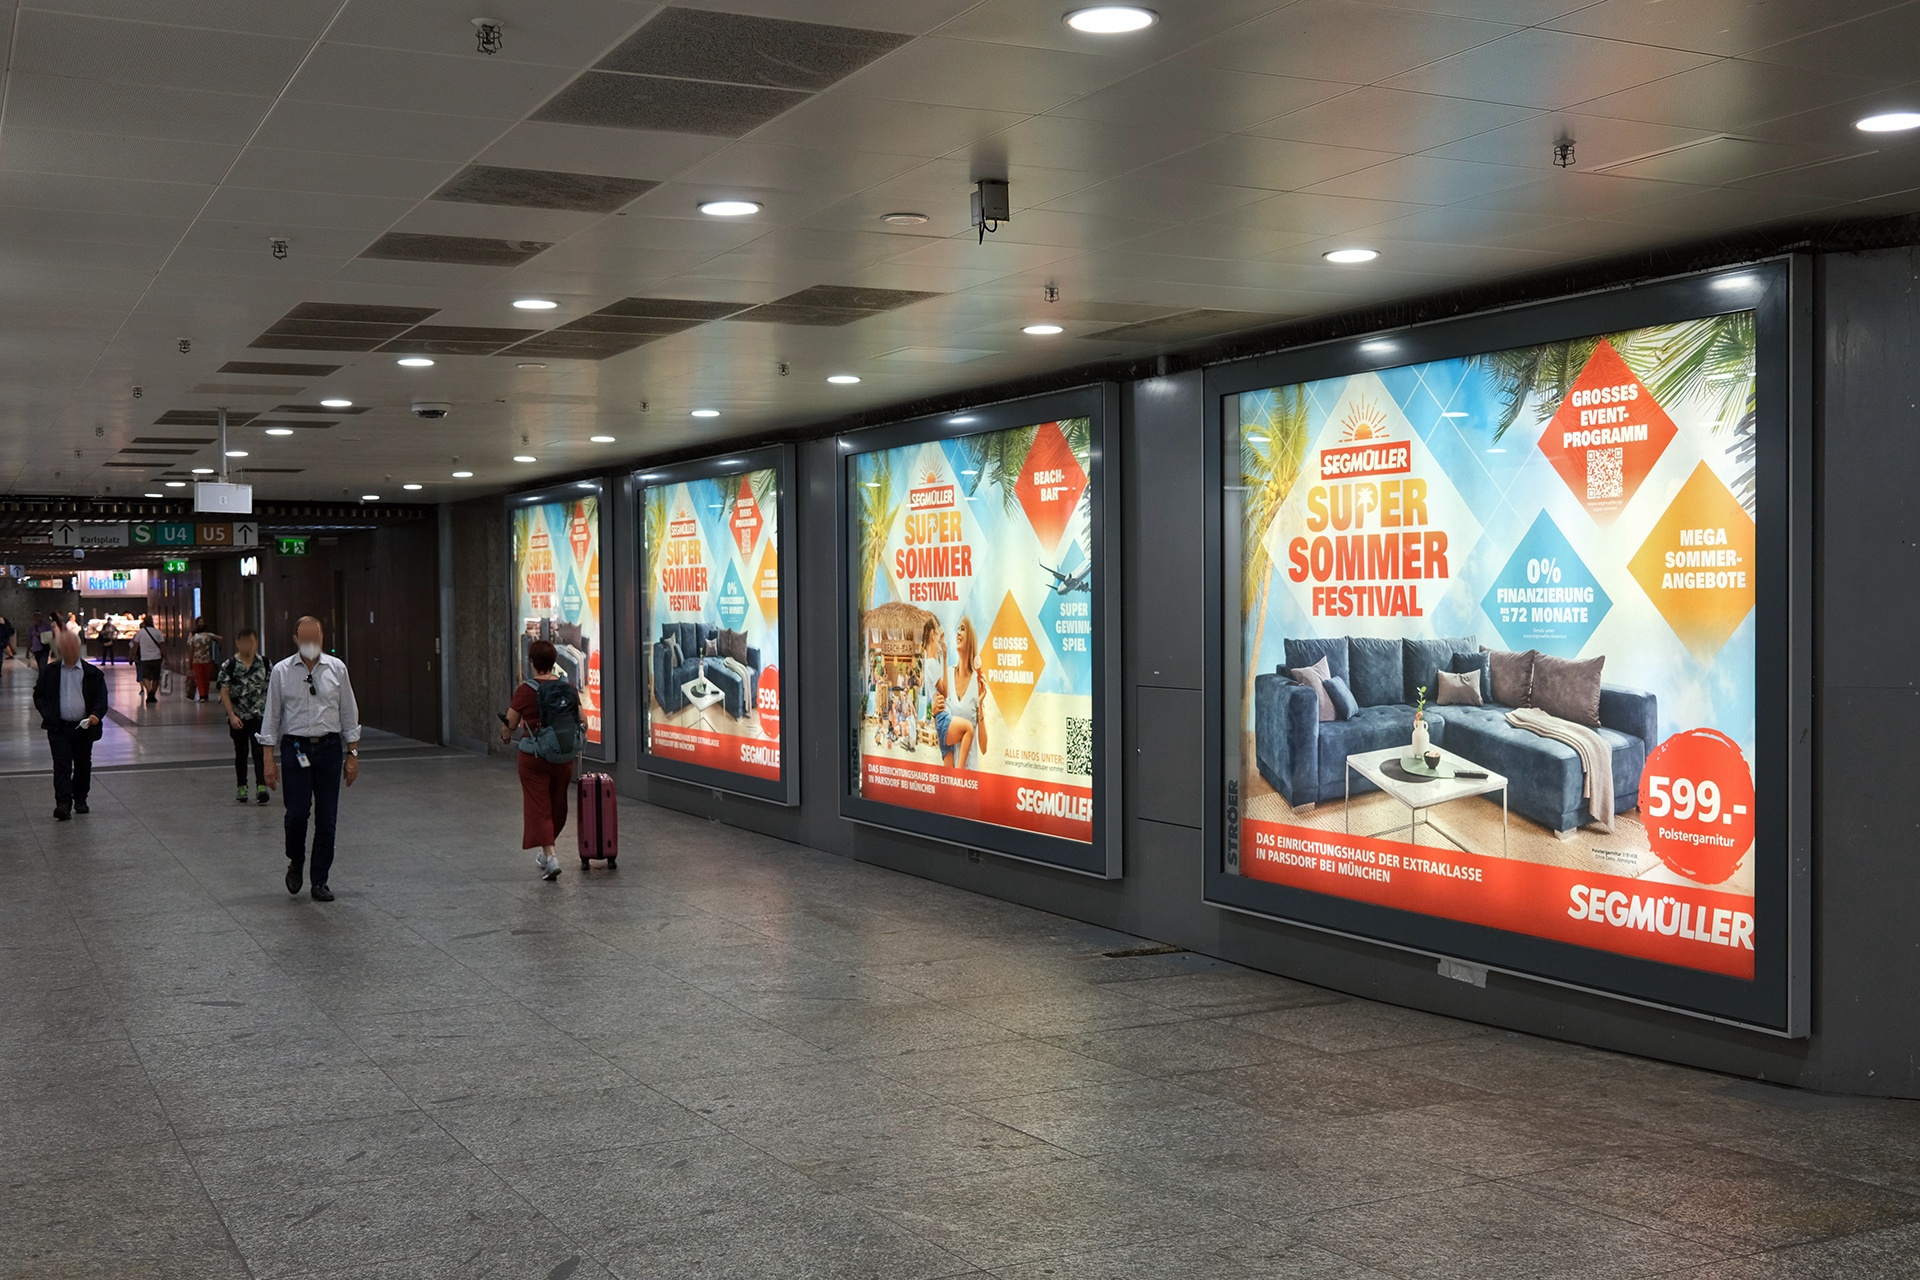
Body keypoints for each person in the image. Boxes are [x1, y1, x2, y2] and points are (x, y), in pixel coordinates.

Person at [259, 616, 360, 902]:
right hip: (296, 749)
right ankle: (296, 859)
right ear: (295, 639)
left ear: (322, 637)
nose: (311, 643)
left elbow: (349, 713)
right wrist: (268, 759)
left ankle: (320, 880)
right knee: (296, 814)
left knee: (327, 818)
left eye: (315, 637)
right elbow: (271, 717)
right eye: (305, 638)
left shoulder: (336, 668)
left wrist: (352, 754)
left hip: (329, 748)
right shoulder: (281, 671)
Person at [501, 639, 582, 881]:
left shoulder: (525, 690)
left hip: (534, 758)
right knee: (557, 806)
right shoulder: (567, 687)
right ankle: (547, 851)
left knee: (539, 807)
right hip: (562, 756)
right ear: (554, 661)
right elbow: (583, 720)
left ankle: (551, 856)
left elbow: (510, 723)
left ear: (532, 662)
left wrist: (505, 737)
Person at [33, 629, 107, 821]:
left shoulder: (92, 674)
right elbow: (39, 695)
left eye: (71, 647)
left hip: (83, 728)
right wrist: (47, 712)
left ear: (78, 648)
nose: (68, 651)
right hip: (58, 728)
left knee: (82, 764)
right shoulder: (50, 672)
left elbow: (101, 698)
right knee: (61, 765)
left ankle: (80, 799)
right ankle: (63, 804)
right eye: (64, 647)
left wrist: (95, 714)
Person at [217, 627, 271, 804]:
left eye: (251, 642)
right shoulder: (230, 665)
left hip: (259, 716)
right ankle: (242, 786)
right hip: (238, 717)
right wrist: (232, 715)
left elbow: (272, 689)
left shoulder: (264, 663)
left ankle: (261, 786)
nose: (248, 646)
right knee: (241, 753)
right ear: (238, 643)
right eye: (244, 642)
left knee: (259, 751)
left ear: (256, 643)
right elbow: (224, 691)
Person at [927, 615, 987, 770]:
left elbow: (983, 747)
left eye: (963, 629)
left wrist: (980, 706)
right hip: (951, 772)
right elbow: (941, 730)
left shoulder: (977, 682)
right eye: (958, 629)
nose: (958, 633)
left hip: (970, 772)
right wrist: (934, 712)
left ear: (971, 638)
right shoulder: (947, 675)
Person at [187, 618, 223, 702]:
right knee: (206, 678)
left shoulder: (194, 638)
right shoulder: (208, 635)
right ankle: (206, 694)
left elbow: (191, 649)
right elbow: (220, 638)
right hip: (207, 660)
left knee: (200, 678)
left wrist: (190, 661)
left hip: (197, 660)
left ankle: (202, 695)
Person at [133, 614, 164, 703]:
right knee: (156, 677)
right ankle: (152, 694)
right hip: (156, 657)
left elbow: (135, 645)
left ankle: (149, 691)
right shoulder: (158, 632)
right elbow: (162, 645)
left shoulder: (140, 633)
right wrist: (164, 656)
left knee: (145, 676)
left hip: (145, 658)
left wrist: (134, 655)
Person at [0, 614, 14, 681]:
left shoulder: (1, 621)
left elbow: (4, 632)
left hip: (1, 642)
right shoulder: (2, 620)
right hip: (2, 641)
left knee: (0, 658)